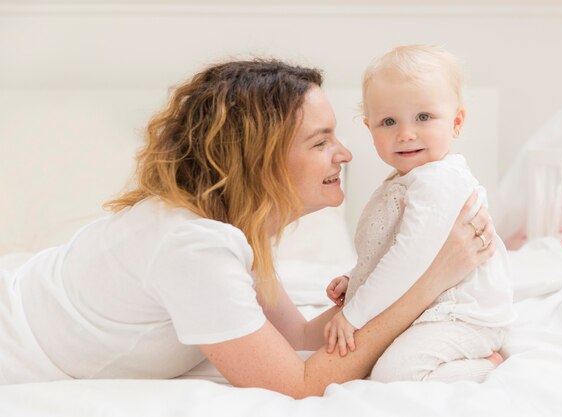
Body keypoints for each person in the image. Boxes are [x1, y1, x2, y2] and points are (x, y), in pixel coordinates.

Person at [0, 58, 497, 398]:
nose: (344, 154)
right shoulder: (193, 246)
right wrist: (432, 278)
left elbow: (302, 335)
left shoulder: (230, 227)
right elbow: (299, 382)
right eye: (321, 141)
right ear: (261, 160)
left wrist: (404, 285)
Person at [324, 45, 516, 383]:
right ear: (370, 130)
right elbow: (396, 246)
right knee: (373, 362)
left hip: (463, 315)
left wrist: (354, 314)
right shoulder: (407, 181)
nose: (406, 133)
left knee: (393, 375)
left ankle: (487, 364)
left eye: (423, 117)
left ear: (456, 122)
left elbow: (409, 258)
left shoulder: (439, 181)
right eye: (388, 121)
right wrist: (358, 276)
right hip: (428, 310)